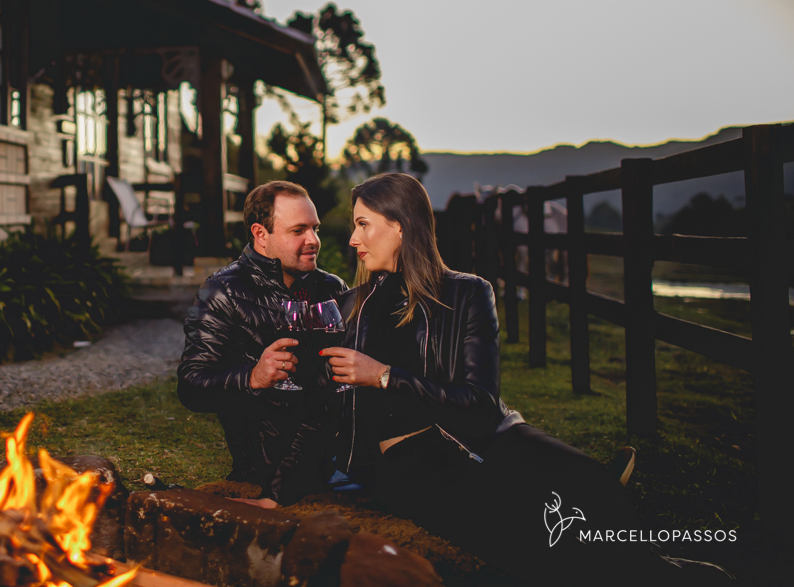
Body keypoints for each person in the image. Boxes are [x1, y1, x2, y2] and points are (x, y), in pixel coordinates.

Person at [317, 173, 732, 586]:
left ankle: (659, 568)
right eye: (355, 225)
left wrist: (385, 376)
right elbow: (316, 389)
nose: (353, 239)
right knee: (529, 531)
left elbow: (480, 405)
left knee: (592, 484)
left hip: (490, 435)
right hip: (412, 462)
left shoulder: (468, 293)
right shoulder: (350, 308)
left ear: (401, 226)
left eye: (363, 224)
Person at [177, 180, 346, 499]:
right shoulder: (223, 292)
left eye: (315, 228)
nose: (313, 240)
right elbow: (191, 387)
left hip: (336, 464)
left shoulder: (331, 288)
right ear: (260, 234)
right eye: (298, 231)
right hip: (262, 474)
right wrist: (252, 377)